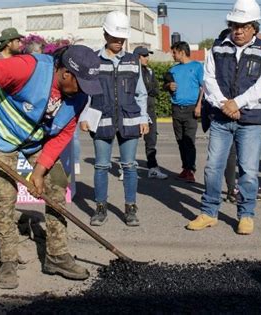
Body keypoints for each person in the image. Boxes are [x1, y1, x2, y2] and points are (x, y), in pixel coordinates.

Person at [0, 45, 102, 289]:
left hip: (34, 142)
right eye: (82, 83)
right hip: (0, 136)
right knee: (6, 196)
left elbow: (62, 134)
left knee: (57, 185)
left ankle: (56, 256)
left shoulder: (78, 98)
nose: (84, 92)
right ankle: (8, 261)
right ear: (66, 73)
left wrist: (40, 171)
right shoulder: (28, 69)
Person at [186, 0, 261, 235]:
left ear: (254, 27)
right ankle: (209, 212)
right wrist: (225, 104)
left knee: (248, 169)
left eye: (244, 26)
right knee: (213, 167)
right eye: (235, 25)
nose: (238, 30)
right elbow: (209, 79)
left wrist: (238, 103)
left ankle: (246, 215)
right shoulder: (217, 48)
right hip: (221, 118)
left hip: (250, 120)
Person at [80, 11, 149, 227]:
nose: (119, 42)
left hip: (130, 120)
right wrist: (83, 116)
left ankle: (130, 209)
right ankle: (100, 208)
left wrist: (144, 118)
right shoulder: (92, 61)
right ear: (105, 34)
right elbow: (85, 93)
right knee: (101, 166)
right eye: (114, 37)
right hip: (101, 120)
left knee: (129, 166)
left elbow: (141, 93)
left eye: (122, 38)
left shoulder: (132, 61)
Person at [163, 41, 204, 183]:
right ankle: (185, 168)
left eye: (174, 52)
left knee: (189, 140)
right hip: (176, 109)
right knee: (180, 141)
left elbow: (203, 87)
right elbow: (165, 86)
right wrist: (169, 86)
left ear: (181, 52)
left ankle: (191, 169)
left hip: (191, 109)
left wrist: (199, 105)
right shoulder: (173, 70)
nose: (172, 55)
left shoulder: (197, 66)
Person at [133, 46, 168, 179]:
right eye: (144, 55)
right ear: (137, 57)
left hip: (150, 110)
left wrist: (146, 91)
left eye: (147, 55)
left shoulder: (150, 71)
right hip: (135, 111)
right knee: (132, 141)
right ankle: (128, 170)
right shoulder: (130, 71)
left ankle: (153, 168)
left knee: (151, 140)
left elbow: (155, 90)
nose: (147, 58)